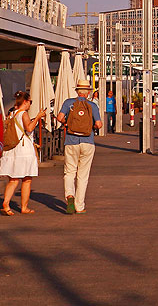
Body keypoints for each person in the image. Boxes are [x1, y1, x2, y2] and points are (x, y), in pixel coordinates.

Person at [57, 78, 102, 214]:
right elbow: (99, 124)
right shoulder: (92, 105)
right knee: (83, 175)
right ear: (87, 92)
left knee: (70, 172)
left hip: (71, 141)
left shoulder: (68, 103)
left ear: (77, 91)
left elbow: (59, 117)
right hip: (88, 141)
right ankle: (79, 206)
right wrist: (91, 126)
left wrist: (67, 123)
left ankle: (70, 195)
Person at [0, 91, 45, 215]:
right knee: (27, 179)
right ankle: (24, 207)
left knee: (13, 180)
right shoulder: (23, 114)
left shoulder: (12, 114)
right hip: (23, 149)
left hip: (12, 149)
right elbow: (29, 128)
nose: (30, 104)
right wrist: (38, 117)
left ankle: (6, 203)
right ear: (25, 102)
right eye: (30, 101)